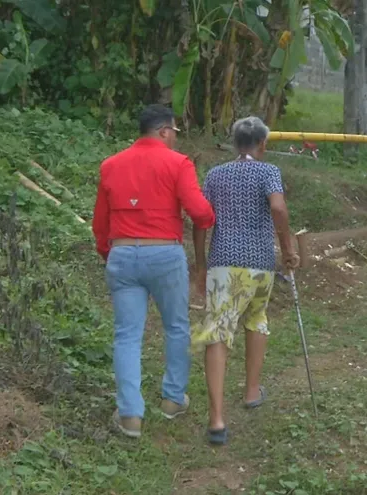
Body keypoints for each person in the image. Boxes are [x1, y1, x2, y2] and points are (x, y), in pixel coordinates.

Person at [92, 104, 216, 439]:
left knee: (127, 335)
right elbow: (198, 211)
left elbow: (100, 222)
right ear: (164, 131)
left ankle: (130, 415)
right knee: (176, 326)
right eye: (175, 131)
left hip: (122, 254)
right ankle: (173, 399)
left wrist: (109, 253)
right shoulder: (177, 163)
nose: (175, 137)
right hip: (164, 254)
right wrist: (209, 219)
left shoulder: (111, 165)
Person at [192, 116, 300, 446]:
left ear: (235, 143)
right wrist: (287, 248)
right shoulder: (269, 172)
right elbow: (278, 207)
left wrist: (200, 264)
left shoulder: (215, 174)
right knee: (257, 319)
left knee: (218, 331)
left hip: (224, 263)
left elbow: (201, 220)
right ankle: (252, 391)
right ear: (262, 144)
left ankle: (217, 420)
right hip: (260, 263)